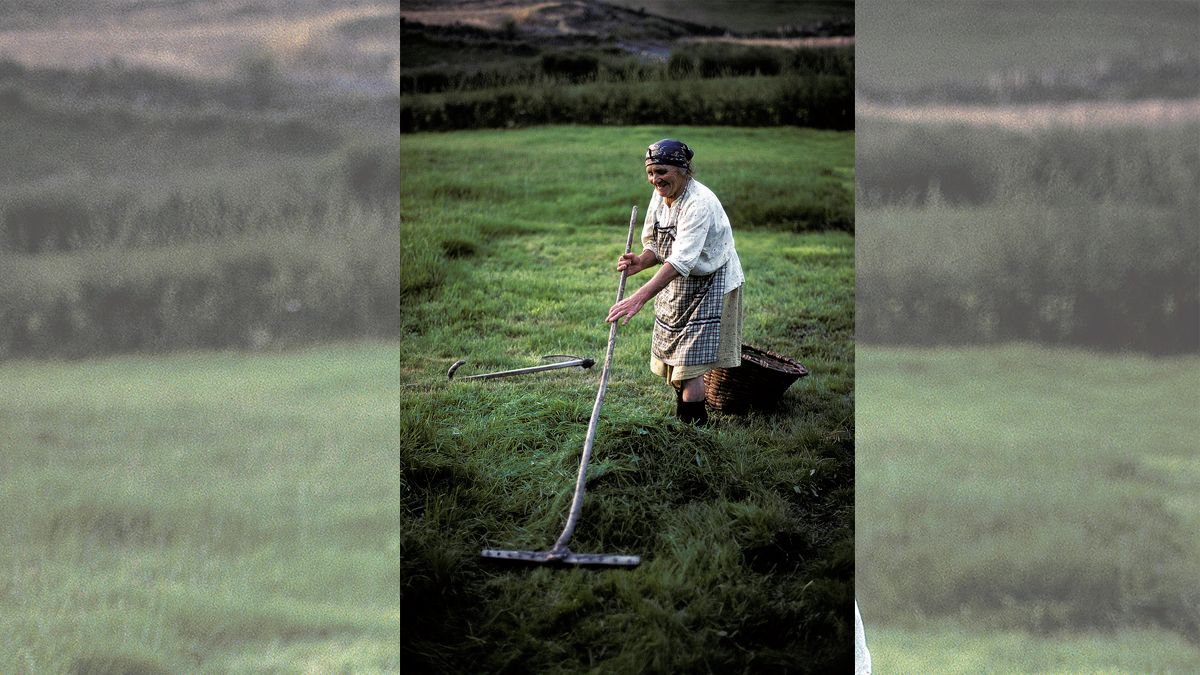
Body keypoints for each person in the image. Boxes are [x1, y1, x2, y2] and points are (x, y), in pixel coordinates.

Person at [606, 139, 744, 425]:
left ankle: (693, 431)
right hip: (680, 281)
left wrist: (638, 297)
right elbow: (656, 246)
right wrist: (640, 261)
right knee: (674, 360)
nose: (655, 179)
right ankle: (685, 421)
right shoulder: (661, 196)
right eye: (651, 173)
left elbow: (681, 260)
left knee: (690, 365)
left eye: (662, 172)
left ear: (683, 170)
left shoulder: (698, 202)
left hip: (711, 282)